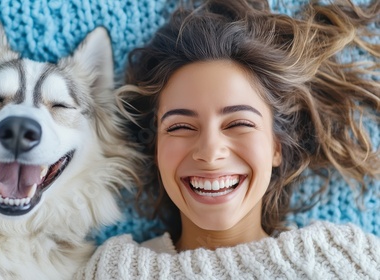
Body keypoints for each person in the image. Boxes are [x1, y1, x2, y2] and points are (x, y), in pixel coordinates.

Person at [75, 0, 380, 278]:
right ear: (156, 148)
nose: (209, 152)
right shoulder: (115, 271)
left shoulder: (346, 258)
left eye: (238, 123)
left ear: (277, 145)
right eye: (180, 127)